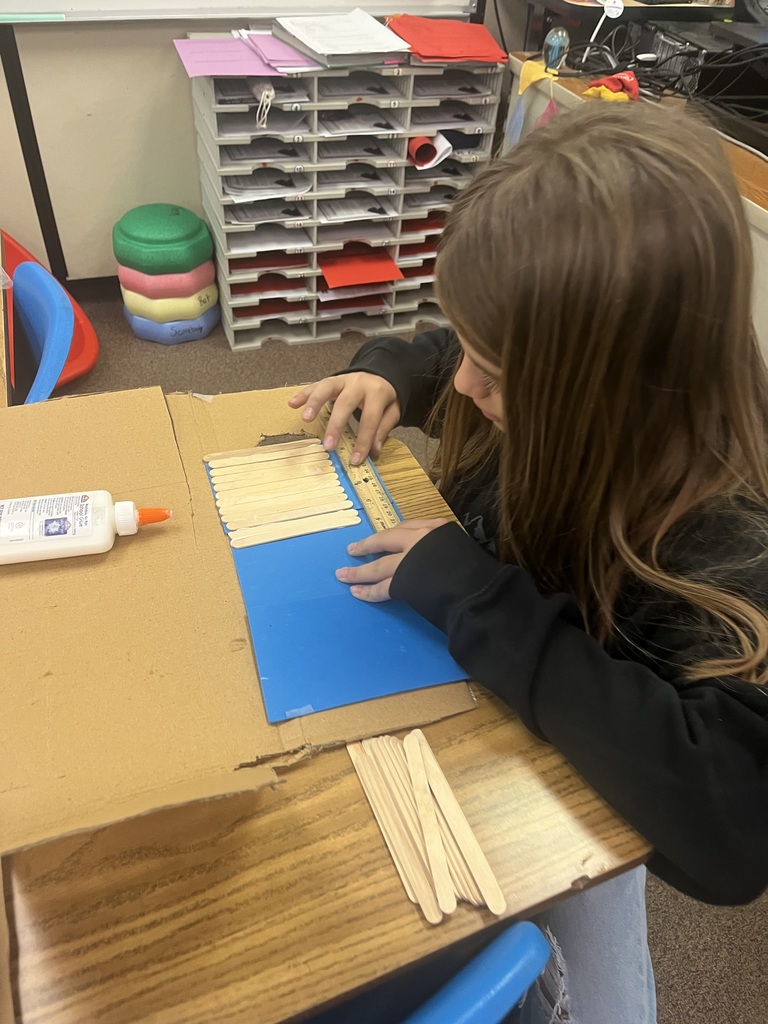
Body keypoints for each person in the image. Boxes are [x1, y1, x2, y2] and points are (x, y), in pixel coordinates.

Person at [289, 101, 768, 1024]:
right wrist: (392, 366)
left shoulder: (729, 542)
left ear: (612, 388)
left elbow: (731, 832)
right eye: (467, 349)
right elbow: (445, 356)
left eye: (497, 374)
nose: (464, 383)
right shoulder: (538, 382)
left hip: (598, 788)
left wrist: (480, 600)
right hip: (495, 721)